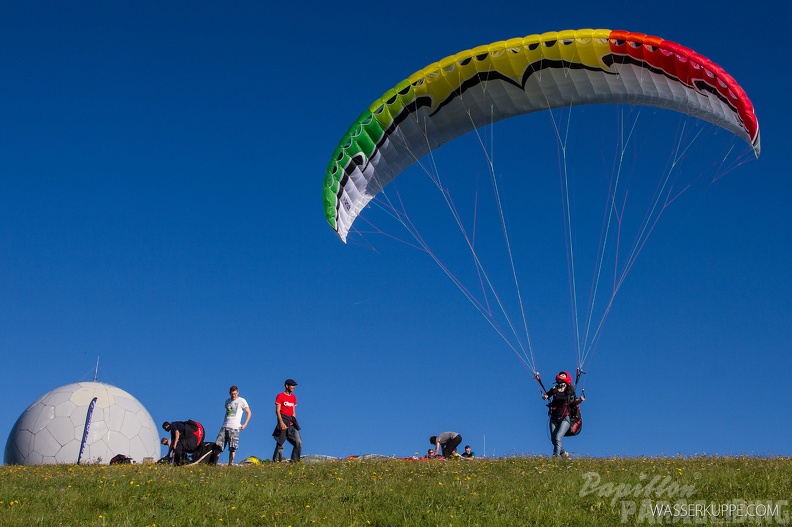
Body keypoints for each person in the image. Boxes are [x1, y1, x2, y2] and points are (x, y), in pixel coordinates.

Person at [541, 371, 585, 459]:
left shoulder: (570, 390)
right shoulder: (554, 388)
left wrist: (580, 400)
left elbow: (573, 403)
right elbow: (548, 395)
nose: (561, 375)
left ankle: (554, 458)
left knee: (557, 438)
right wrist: (545, 396)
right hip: (554, 417)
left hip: (565, 417)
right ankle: (564, 453)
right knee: (554, 440)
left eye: (563, 375)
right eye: (560, 374)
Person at [215, 385, 252, 466]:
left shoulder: (241, 401)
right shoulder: (227, 401)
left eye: (235, 394)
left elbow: (249, 412)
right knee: (218, 445)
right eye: (232, 394)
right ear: (229, 393)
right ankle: (214, 462)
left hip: (235, 427)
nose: (233, 395)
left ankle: (230, 464)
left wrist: (245, 424)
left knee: (233, 447)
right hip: (225, 425)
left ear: (237, 392)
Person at [272, 378, 301, 462]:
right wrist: (281, 422)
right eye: (292, 385)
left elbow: (293, 411)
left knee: (298, 442)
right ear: (287, 386)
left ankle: (295, 461)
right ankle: (277, 460)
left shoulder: (293, 397)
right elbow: (277, 410)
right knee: (281, 442)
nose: (293, 387)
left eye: (294, 386)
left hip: (291, 421)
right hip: (283, 420)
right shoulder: (280, 396)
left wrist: (294, 421)